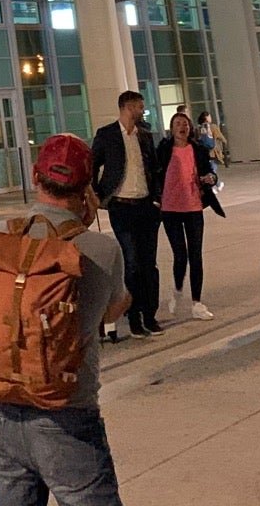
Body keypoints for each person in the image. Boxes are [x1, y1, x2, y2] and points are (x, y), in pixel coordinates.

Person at [0, 133, 128, 506]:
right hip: (68, 412)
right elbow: (113, 310)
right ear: (86, 186)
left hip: (4, 409)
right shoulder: (101, 248)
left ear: (34, 176)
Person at [91, 91, 162, 337]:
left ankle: (150, 315)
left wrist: (156, 198)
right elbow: (93, 166)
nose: (142, 110)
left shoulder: (144, 135)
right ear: (126, 106)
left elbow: (153, 167)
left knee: (149, 263)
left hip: (146, 206)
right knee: (131, 263)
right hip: (121, 206)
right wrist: (98, 195)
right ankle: (133, 317)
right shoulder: (107, 135)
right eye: (139, 106)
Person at [155, 110, 222, 321]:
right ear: (172, 129)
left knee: (196, 254)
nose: (182, 127)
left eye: (185, 123)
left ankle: (197, 303)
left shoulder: (198, 149)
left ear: (190, 128)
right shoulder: (164, 149)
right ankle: (176, 290)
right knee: (180, 254)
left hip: (193, 207)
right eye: (177, 124)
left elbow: (210, 172)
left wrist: (210, 178)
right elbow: (154, 172)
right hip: (170, 208)